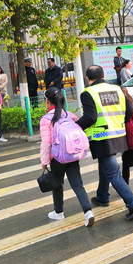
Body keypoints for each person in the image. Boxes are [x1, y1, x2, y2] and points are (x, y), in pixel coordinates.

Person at [75, 65, 133, 220]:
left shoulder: (88, 93)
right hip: (118, 134)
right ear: (103, 75)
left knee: (112, 172)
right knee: (105, 165)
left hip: (102, 138)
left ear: (88, 79)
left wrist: (74, 126)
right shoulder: (117, 89)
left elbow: (90, 117)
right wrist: (117, 123)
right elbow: (130, 112)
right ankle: (102, 196)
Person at [41, 87, 95, 227]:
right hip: (72, 155)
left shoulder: (45, 120)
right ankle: (88, 211)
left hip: (57, 158)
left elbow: (46, 143)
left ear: (47, 101)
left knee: (57, 184)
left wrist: (44, 161)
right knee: (77, 184)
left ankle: (58, 212)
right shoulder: (69, 115)